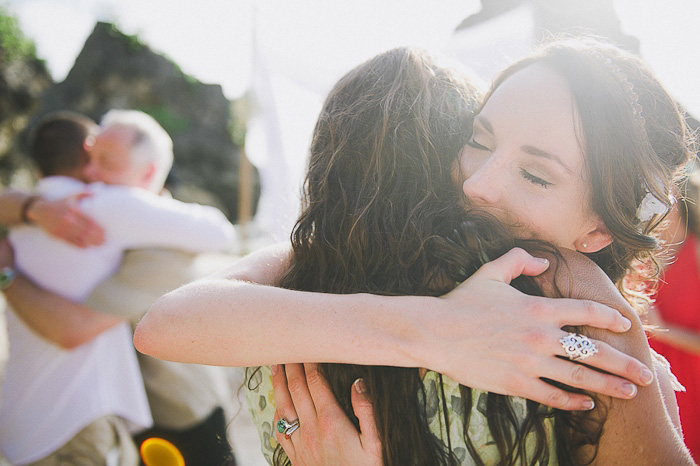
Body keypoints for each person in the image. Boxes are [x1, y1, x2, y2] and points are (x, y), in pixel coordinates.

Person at [136, 39, 694, 464]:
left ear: (598, 233)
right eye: (477, 140)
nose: (478, 182)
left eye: (535, 175)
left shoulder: (574, 298)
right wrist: (435, 327)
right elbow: (166, 324)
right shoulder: (343, 264)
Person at [0, 111, 235, 464]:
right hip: (125, 410)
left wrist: (7, 268)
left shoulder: (162, 249)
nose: (91, 173)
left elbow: (71, 328)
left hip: (178, 409)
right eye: (89, 158)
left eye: (105, 162)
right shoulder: (79, 210)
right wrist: (33, 207)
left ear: (149, 173)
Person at [647, 169, 700, 462]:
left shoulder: (696, 253)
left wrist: (662, 329)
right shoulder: (639, 258)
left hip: (693, 393)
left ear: (678, 204)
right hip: (652, 390)